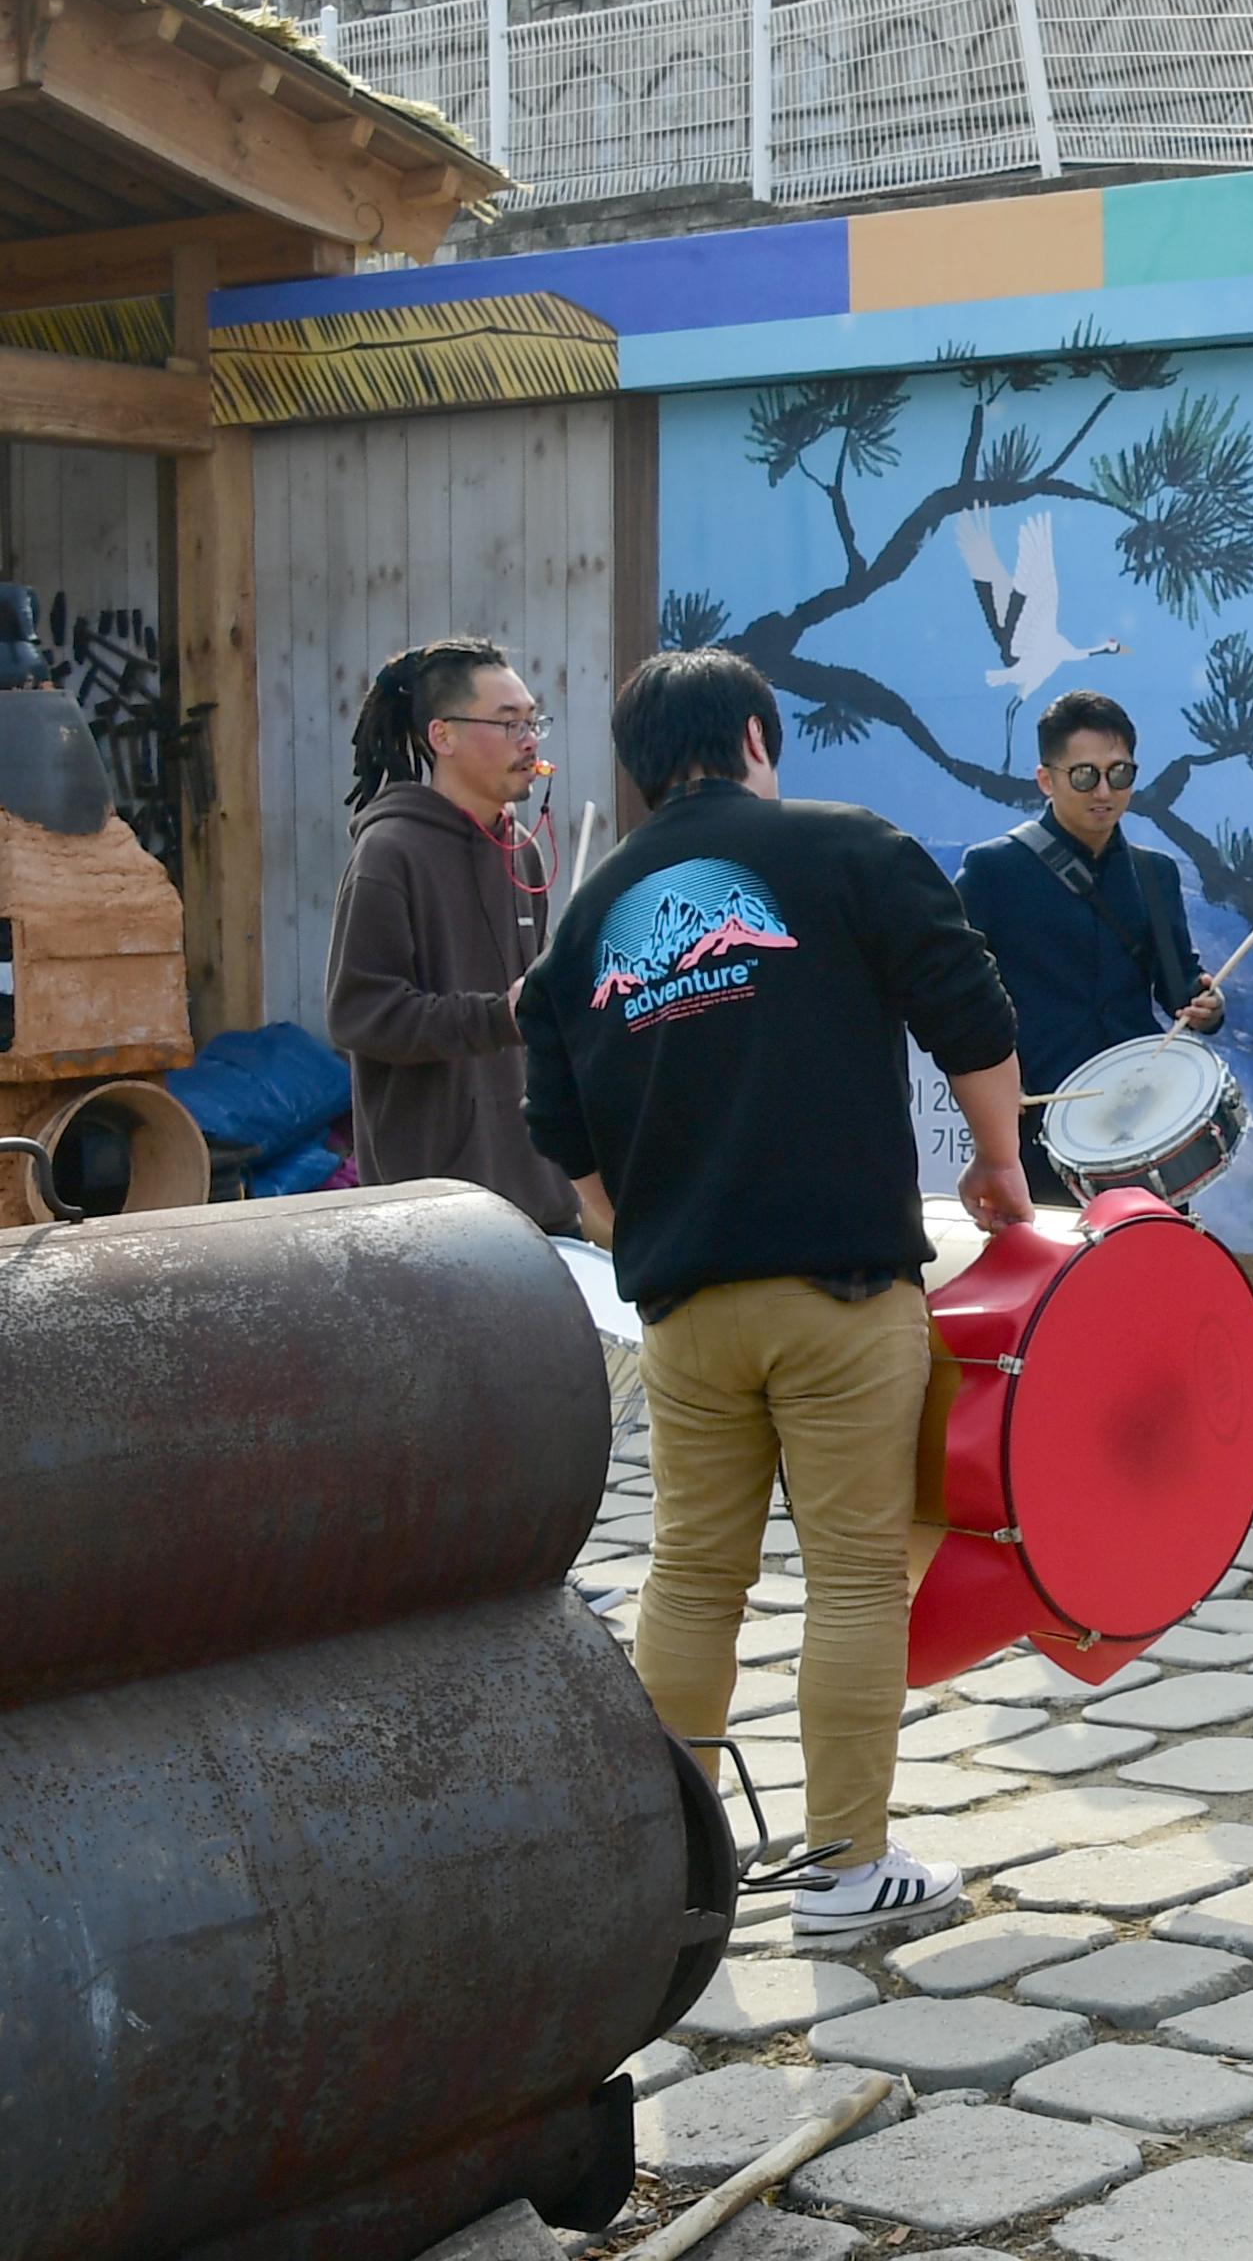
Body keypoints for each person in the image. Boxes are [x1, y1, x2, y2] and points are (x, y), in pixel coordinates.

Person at [520, 649, 1031, 1936]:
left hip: (686, 1305)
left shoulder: (588, 918)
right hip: (841, 1287)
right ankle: (848, 1867)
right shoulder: (848, 846)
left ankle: (677, 1870)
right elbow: (966, 1006)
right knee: (856, 1573)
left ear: (639, 770)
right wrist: (1002, 1161)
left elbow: (558, 1127)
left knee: (691, 1576)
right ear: (757, 733)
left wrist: (640, 1223)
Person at [325, 638, 580, 1231]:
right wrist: (497, 1017)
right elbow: (360, 1015)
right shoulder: (388, 853)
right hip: (435, 1211)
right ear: (443, 736)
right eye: (506, 722)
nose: (529, 739)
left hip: (538, 1197)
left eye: (532, 720)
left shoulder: (523, 852)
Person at [955, 691, 1223, 1204]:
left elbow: (1179, 989)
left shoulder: (1155, 873)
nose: (1104, 790)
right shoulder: (993, 871)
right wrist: (992, 1087)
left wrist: (1207, 1006)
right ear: (1046, 779)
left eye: (1119, 774)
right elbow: (958, 995)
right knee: (1051, 1278)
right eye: (1084, 775)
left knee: (1148, 1274)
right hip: (1040, 1125)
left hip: (1142, 1126)